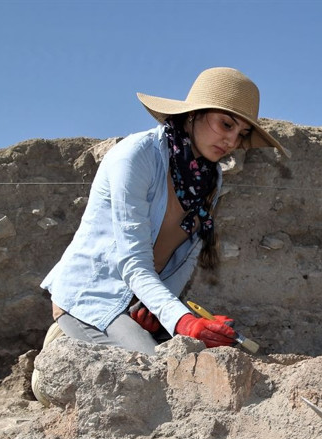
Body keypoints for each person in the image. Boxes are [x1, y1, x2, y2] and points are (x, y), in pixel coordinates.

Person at [38, 67, 287, 367]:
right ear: (194, 114)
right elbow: (133, 262)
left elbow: (186, 258)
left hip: (138, 302)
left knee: (212, 359)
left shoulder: (210, 178)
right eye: (226, 124)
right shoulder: (136, 157)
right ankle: (55, 360)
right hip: (92, 298)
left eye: (242, 134)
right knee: (154, 370)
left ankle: (97, 343)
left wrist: (158, 313)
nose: (232, 142)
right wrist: (184, 322)